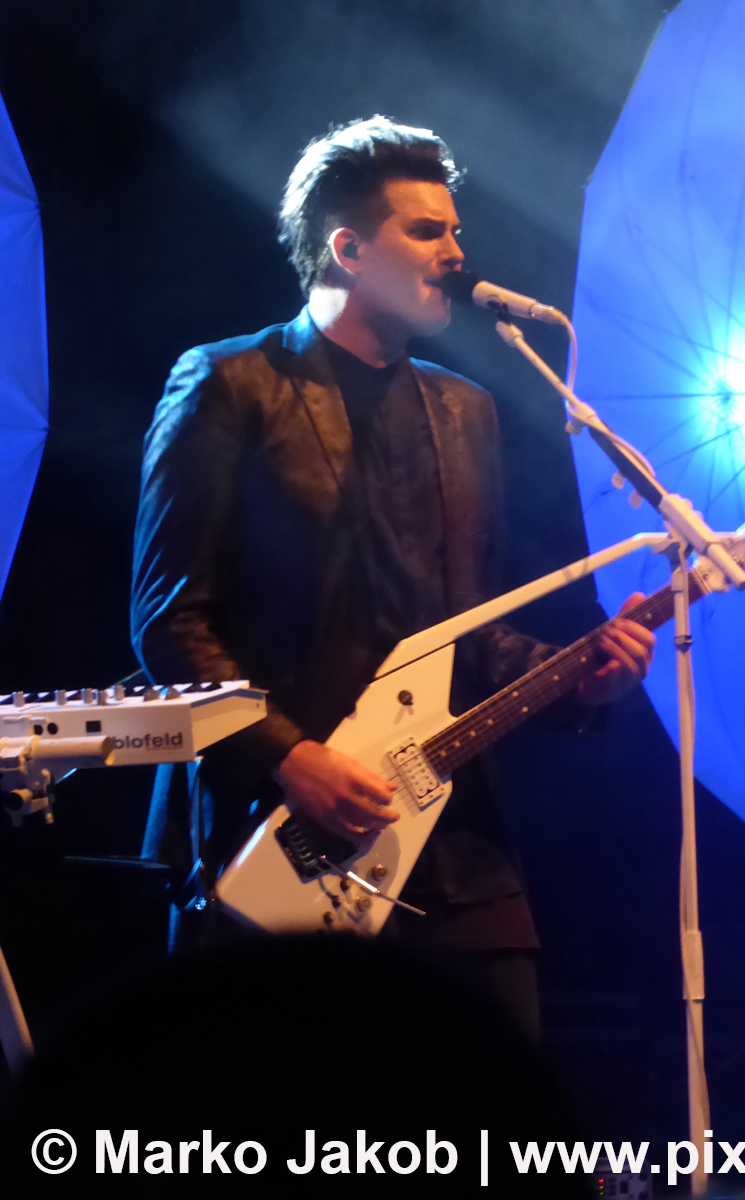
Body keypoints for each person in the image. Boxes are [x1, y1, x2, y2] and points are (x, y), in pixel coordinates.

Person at [131, 116, 655, 1033]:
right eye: (427, 231)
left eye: (456, 231)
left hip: (454, 844)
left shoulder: (467, 411)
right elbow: (171, 621)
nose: (457, 254)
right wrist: (290, 756)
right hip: (276, 837)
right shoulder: (229, 385)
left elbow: (468, 631)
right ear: (348, 249)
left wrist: (582, 680)